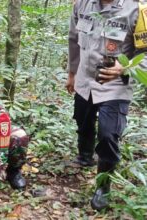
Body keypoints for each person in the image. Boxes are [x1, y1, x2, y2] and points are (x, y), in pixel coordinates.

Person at [66, 0, 147, 211]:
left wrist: (126, 66)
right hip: (85, 80)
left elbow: (145, 51)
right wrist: (72, 73)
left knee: (108, 134)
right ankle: (84, 157)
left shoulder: (138, 10)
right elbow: (74, 40)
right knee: (82, 122)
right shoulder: (82, 5)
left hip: (115, 85)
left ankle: (103, 184)